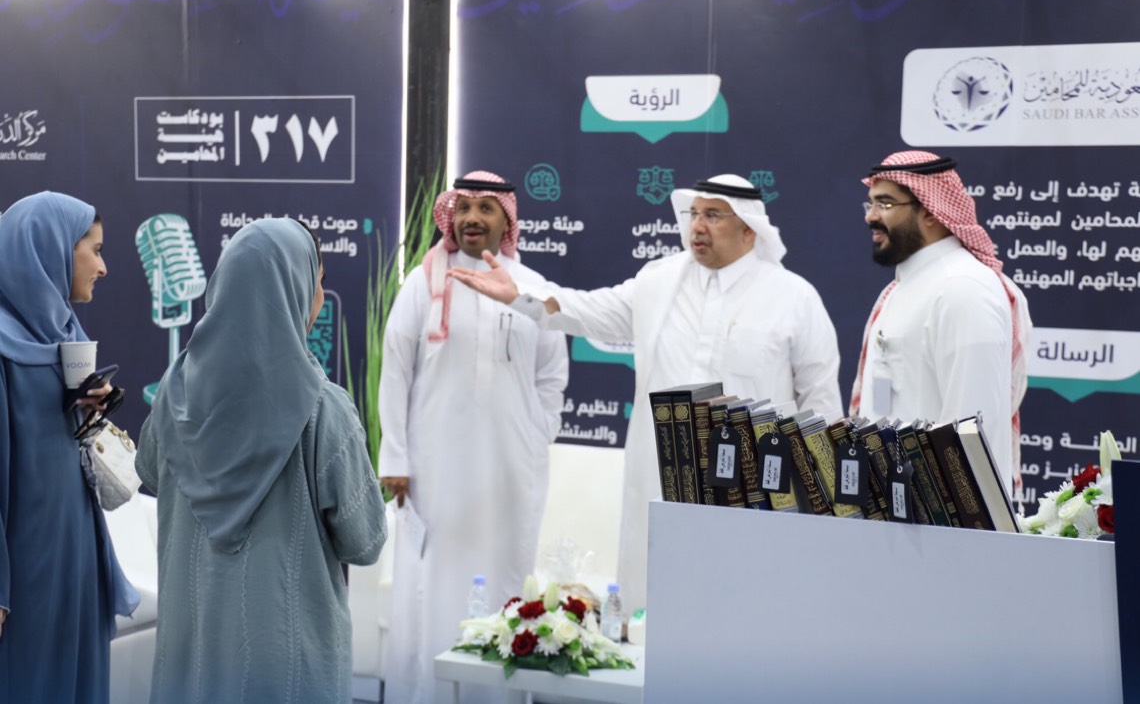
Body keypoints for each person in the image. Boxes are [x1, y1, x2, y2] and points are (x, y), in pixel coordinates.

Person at [449, 173, 842, 616]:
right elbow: (587, 311)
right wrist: (520, 296)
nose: (698, 226)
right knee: (655, 605)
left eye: (714, 216)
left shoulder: (793, 298)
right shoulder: (659, 281)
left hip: (749, 490)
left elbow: (820, 402)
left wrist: (818, 500)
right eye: (695, 214)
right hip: (660, 480)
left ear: (749, 229)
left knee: (742, 609)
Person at [136, 217, 386, 703]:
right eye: (317, 281)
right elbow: (366, 541)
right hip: (286, 667)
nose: (319, 296)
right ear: (293, 289)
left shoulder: (173, 393)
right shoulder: (323, 409)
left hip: (191, 661)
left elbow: (149, 474)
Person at [378, 171, 569, 704]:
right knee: (431, 585)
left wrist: (535, 435)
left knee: (504, 578)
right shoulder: (423, 284)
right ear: (450, 217)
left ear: (507, 221)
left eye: (486, 208)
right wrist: (395, 457)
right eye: (463, 207)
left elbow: (552, 375)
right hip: (433, 470)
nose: (472, 218)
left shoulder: (532, 288)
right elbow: (395, 371)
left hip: (510, 470)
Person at [0, 191, 138, 704]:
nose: (103, 267)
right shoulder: (3, 345)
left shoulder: (63, 331)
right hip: (25, 566)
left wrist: (94, 406)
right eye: (95, 250)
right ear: (50, 247)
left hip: (78, 548)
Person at [850, 150, 1031, 494]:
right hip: (895, 504)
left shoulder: (963, 288)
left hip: (941, 512)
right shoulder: (905, 287)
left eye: (885, 204)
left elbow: (969, 430)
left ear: (931, 212)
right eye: (870, 204)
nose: (871, 216)